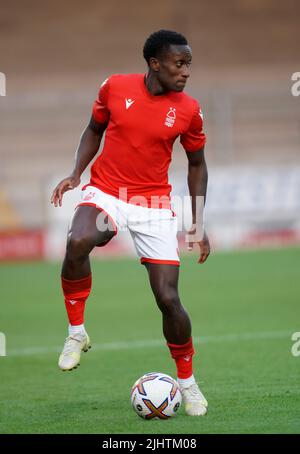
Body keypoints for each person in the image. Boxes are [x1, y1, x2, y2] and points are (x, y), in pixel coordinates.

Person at [51, 29, 210, 416]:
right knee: (79, 240)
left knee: (168, 299)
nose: (186, 71)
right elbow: (94, 129)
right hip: (106, 191)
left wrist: (197, 221)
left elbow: (196, 164)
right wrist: (77, 172)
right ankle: (76, 333)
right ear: (155, 63)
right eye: (179, 63)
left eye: (189, 63)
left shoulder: (188, 109)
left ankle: (187, 384)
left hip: (153, 204)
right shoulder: (114, 87)